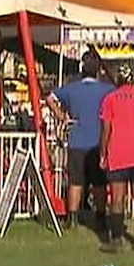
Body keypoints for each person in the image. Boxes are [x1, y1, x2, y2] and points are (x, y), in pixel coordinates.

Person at [45, 51, 114, 231]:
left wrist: (61, 116)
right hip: (98, 143)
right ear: (98, 70)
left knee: (75, 181)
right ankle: (100, 218)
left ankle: (72, 218)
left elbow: (50, 98)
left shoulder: (71, 88)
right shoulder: (107, 90)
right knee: (99, 182)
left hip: (76, 140)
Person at [98, 64, 134, 254]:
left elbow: (106, 129)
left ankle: (116, 240)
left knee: (117, 198)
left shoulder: (110, 99)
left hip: (118, 153)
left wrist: (102, 153)